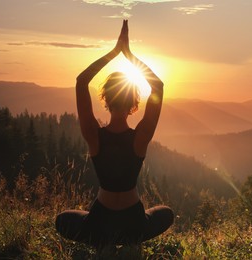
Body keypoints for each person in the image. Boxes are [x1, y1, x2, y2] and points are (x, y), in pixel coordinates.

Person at [55, 20, 174, 248]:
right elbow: (157, 86)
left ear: (106, 100)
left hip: (100, 219)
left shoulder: (94, 136)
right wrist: (129, 54)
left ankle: (103, 238)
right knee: (165, 213)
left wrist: (114, 52)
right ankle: (130, 238)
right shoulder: (140, 138)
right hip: (134, 221)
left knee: (63, 220)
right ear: (134, 104)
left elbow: (81, 81)